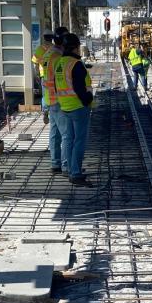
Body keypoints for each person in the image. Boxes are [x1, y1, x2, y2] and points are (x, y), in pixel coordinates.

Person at [54, 34, 94, 186]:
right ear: (76, 47)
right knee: (79, 141)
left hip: (64, 107)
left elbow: (57, 86)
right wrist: (88, 100)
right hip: (78, 107)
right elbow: (79, 88)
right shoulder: (76, 64)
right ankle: (76, 174)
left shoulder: (60, 63)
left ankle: (71, 170)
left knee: (69, 140)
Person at [44, 29, 67, 173]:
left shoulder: (48, 53)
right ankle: (66, 166)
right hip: (59, 99)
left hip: (49, 97)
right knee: (66, 134)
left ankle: (55, 163)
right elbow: (61, 79)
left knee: (54, 133)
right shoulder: (58, 57)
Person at [33, 33, 57, 124]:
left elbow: (35, 63)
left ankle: (45, 110)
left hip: (44, 75)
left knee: (45, 94)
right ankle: (53, 113)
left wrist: (37, 75)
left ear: (44, 38)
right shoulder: (55, 49)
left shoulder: (40, 49)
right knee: (54, 93)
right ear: (52, 38)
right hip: (54, 75)